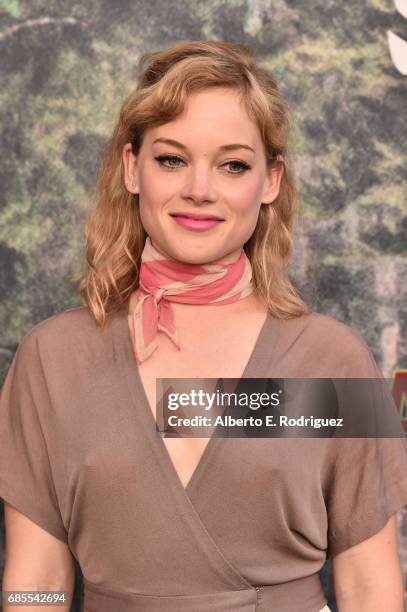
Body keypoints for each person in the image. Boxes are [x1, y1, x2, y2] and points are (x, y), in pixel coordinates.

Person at [1, 40, 406, 612]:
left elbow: (370, 586)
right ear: (131, 167)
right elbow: (33, 581)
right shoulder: (51, 359)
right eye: (171, 159)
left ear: (269, 181)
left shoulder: (333, 359)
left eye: (233, 164)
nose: (199, 189)